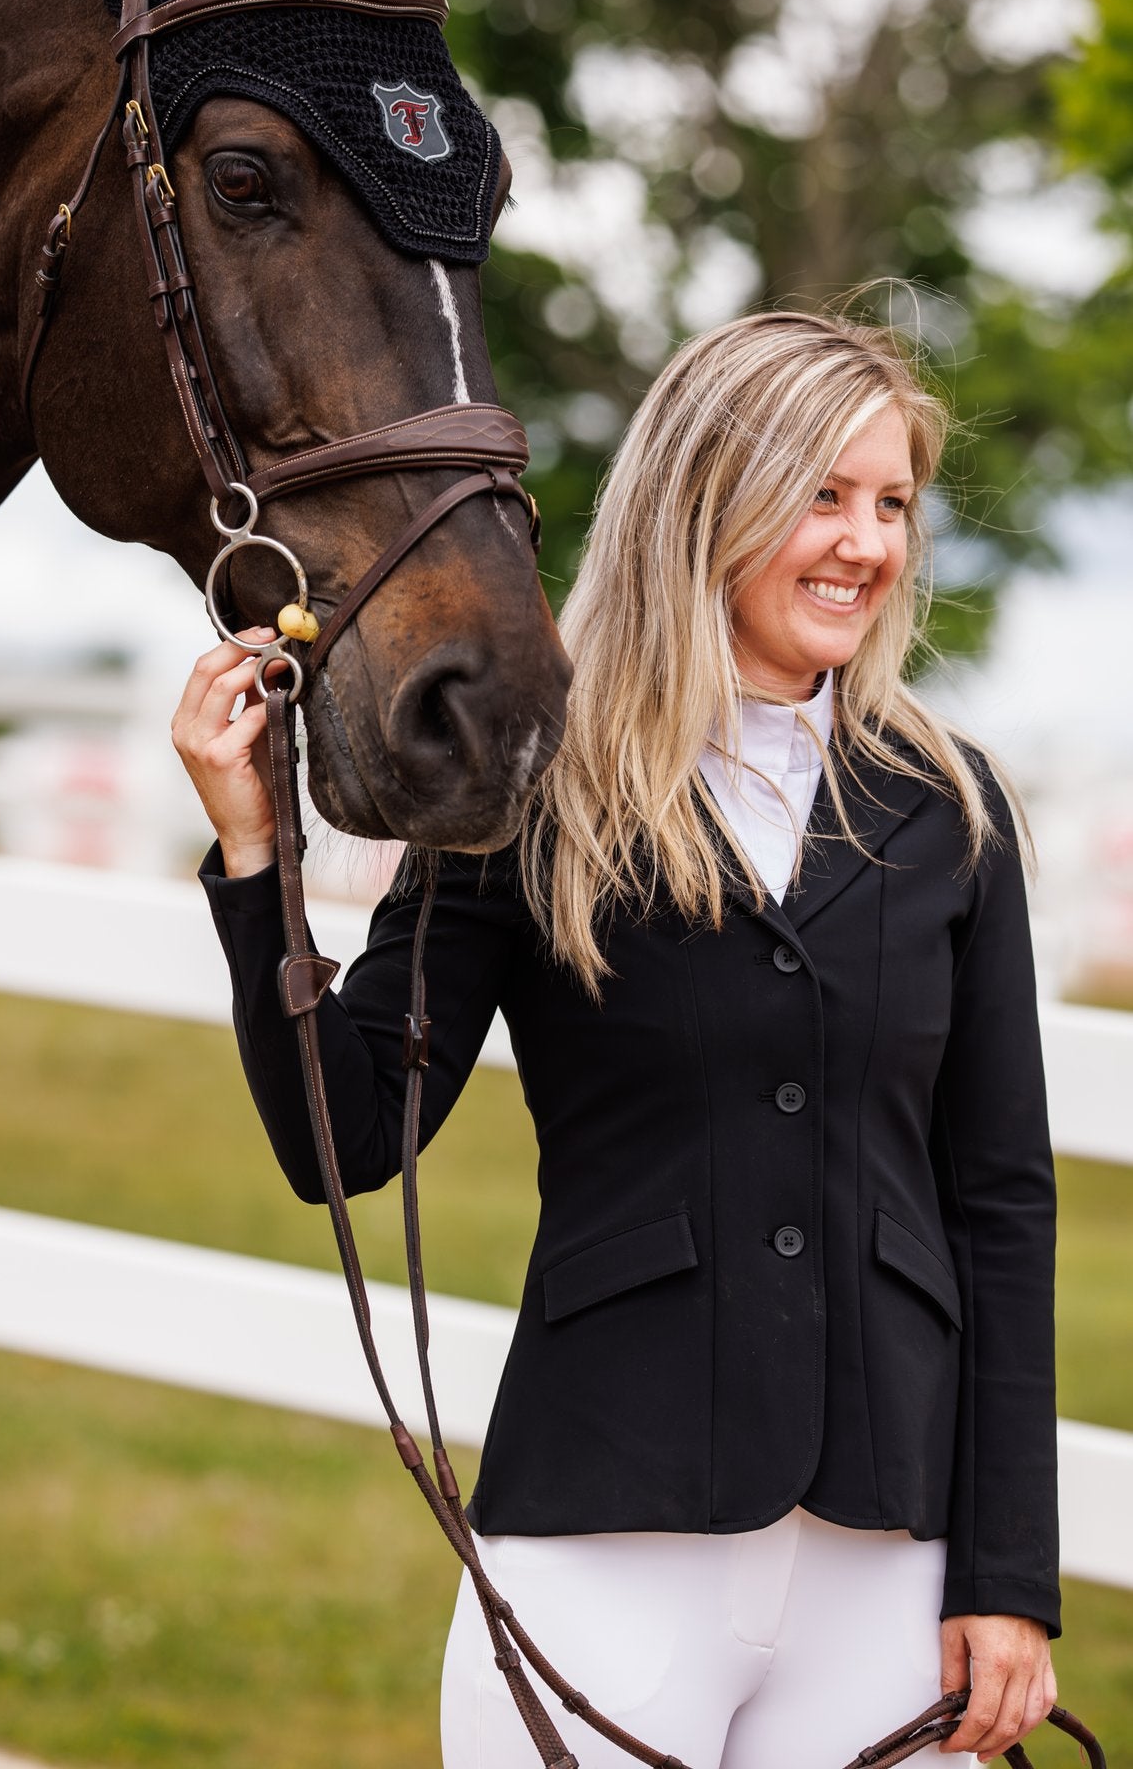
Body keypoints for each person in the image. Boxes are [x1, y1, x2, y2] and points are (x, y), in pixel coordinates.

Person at [171, 306, 1060, 1769]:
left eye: (890, 503)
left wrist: (1006, 1583)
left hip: (886, 1558)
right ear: (704, 502)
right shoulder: (534, 787)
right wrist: (254, 860)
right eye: (819, 496)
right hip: (606, 1527)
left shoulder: (948, 809)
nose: (865, 543)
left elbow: (1000, 1206)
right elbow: (336, 1133)